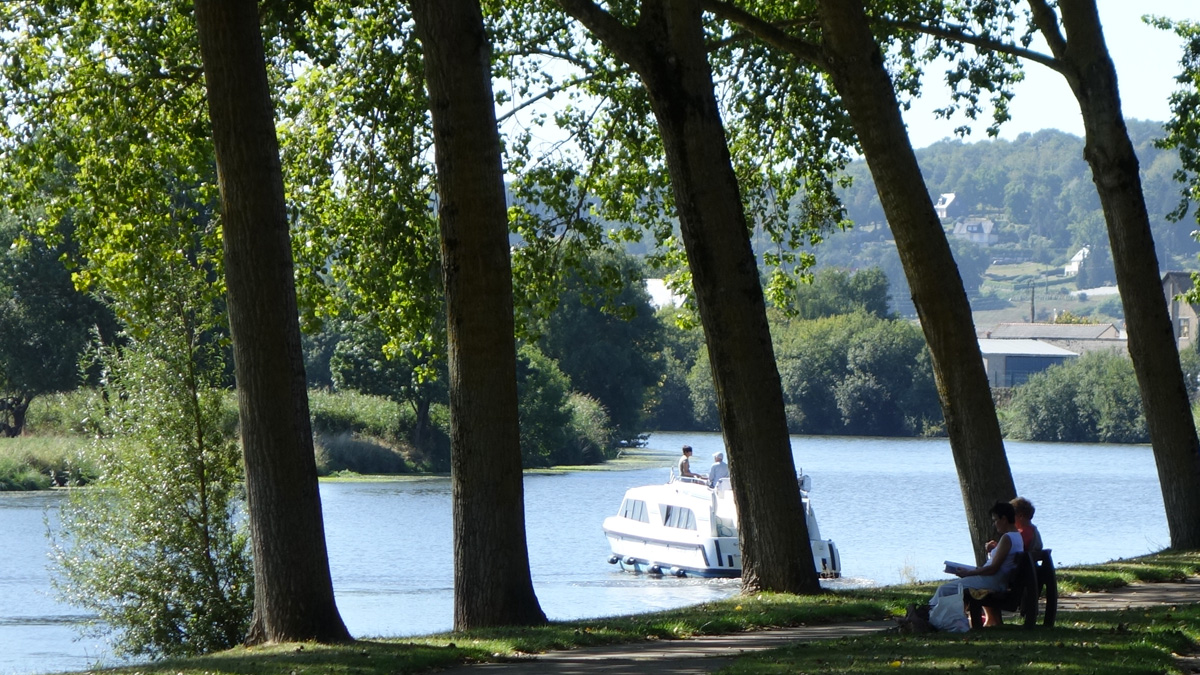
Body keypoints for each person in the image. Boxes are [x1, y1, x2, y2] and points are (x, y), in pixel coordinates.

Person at [932, 501, 1024, 628]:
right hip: (996, 579)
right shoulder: (1017, 537)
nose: (994, 524)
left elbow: (993, 569)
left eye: (995, 520)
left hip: (992, 581)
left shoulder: (1007, 538)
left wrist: (969, 573)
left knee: (944, 589)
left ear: (1004, 519)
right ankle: (938, 617)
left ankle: (930, 617)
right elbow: (1000, 563)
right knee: (951, 586)